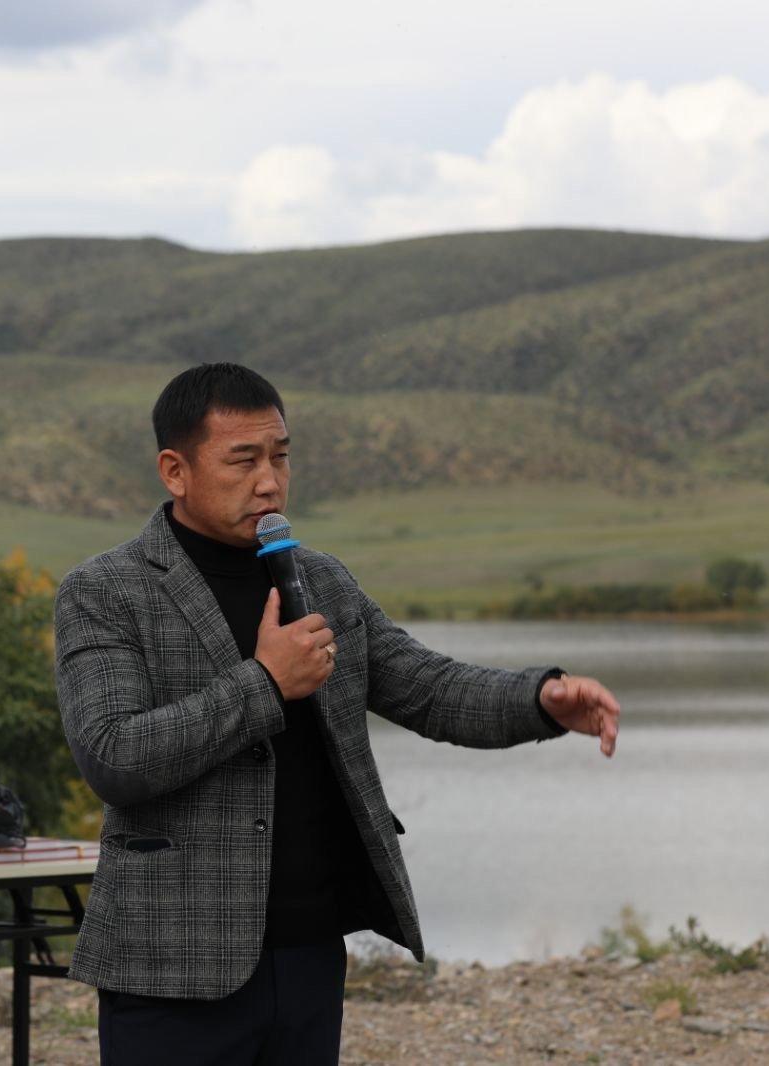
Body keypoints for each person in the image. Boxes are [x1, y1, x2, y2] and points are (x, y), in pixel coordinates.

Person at [53, 363, 621, 1065]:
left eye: (280, 457)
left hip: (309, 953)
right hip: (171, 962)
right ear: (176, 470)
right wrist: (266, 682)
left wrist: (539, 700)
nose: (269, 482)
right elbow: (114, 754)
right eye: (244, 461)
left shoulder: (319, 579)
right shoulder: (105, 590)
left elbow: (428, 687)